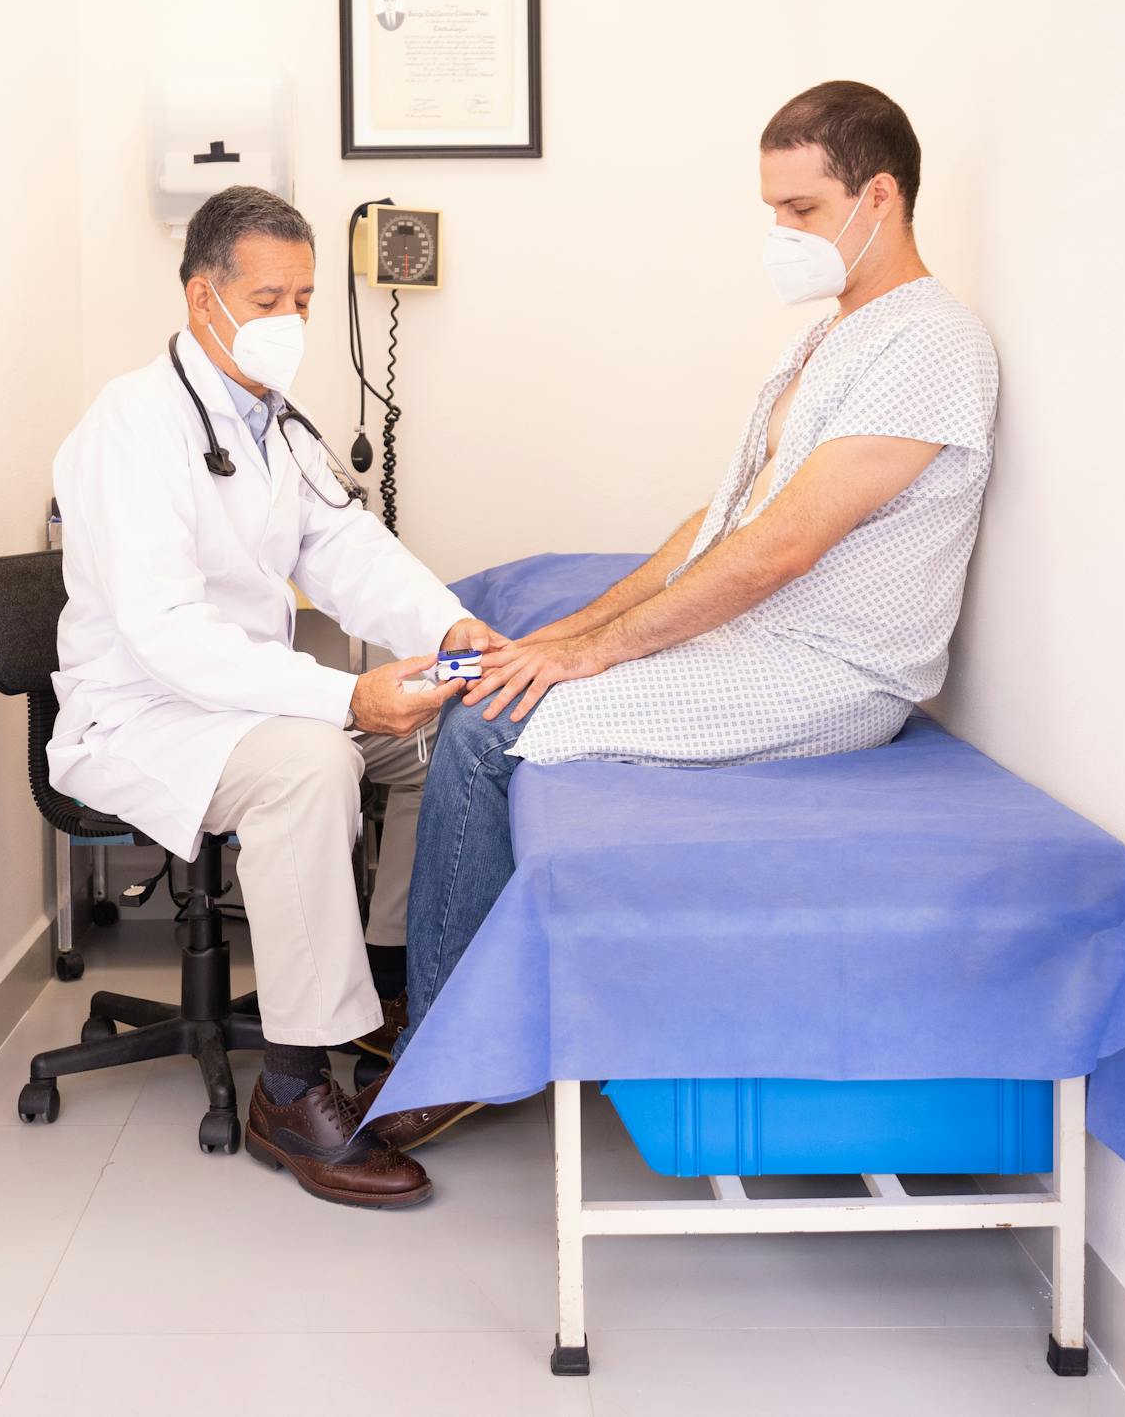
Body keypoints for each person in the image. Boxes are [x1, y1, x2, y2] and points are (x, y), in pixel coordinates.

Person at [369, 81, 1000, 1151]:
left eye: (800, 211)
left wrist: (594, 657)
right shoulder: (825, 340)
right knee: (493, 676)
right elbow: (720, 524)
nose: (780, 235)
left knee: (486, 729)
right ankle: (440, 987)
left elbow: (782, 549)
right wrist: (569, 635)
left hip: (835, 674)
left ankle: (454, 1051)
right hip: (760, 642)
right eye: (772, 212)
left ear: (879, 197)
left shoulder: (932, 344)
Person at [48, 185, 500, 1207]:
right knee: (313, 762)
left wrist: (445, 632)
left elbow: (346, 548)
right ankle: (293, 1091)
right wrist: (346, 698)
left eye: (302, 299)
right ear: (199, 296)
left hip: (247, 695)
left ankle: (393, 985)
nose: (290, 322)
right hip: (146, 715)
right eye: (267, 298)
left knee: (455, 730)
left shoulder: (274, 422)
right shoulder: (133, 424)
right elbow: (167, 637)